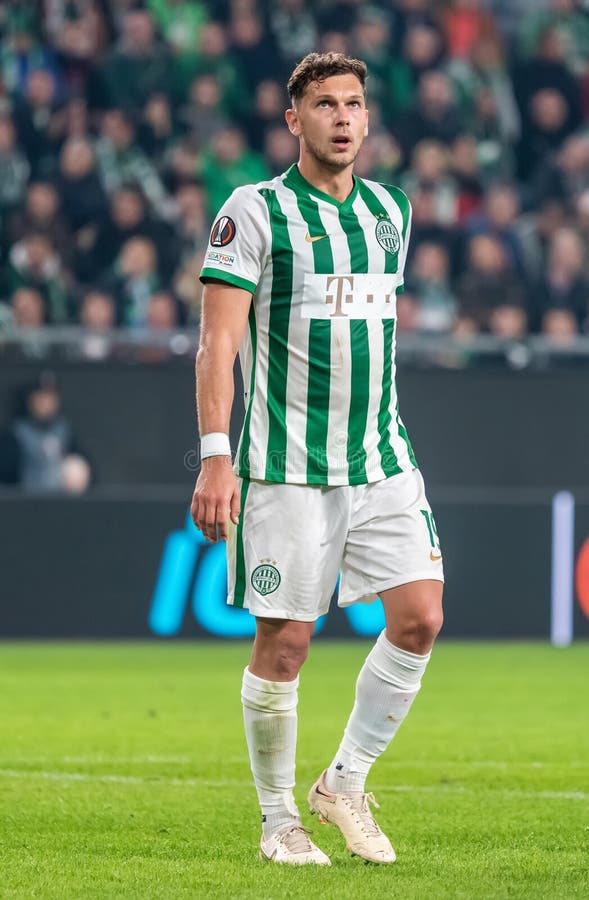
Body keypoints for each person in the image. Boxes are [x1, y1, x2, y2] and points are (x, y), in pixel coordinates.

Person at [190, 52, 444, 867]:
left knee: (420, 618)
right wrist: (215, 457)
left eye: (355, 104)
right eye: (324, 104)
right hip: (285, 467)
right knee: (287, 645)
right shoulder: (254, 211)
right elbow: (217, 343)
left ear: (368, 120)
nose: (342, 117)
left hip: (381, 459)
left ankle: (342, 784)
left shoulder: (390, 212)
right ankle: (277, 820)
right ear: (292, 119)